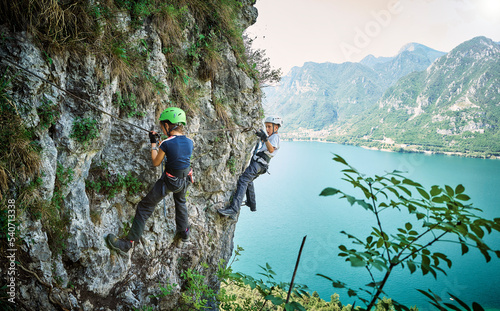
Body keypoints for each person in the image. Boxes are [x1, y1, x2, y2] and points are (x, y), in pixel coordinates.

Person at [106, 107, 194, 255]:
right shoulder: (190, 142)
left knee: (144, 207)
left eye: (162, 125)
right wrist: (161, 142)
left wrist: (154, 143)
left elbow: (156, 162)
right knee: (181, 202)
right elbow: (176, 154)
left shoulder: (166, 143)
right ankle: (184, 231)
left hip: (170, 182)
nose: (162, 127)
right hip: (185, 179)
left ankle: (128, 243)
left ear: (167, 125)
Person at [218, 116, 282, 217]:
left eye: (269, 127)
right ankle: (252, 203)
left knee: (244, 180)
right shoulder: (271, 137)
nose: (267, 129)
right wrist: (262, 136)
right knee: (248, 180)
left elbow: (271, 150)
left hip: (259, 164)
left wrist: (264, 138)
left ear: (276, 128)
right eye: (266, 127)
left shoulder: (275, 137)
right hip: (260, 164)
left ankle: (234, 209)